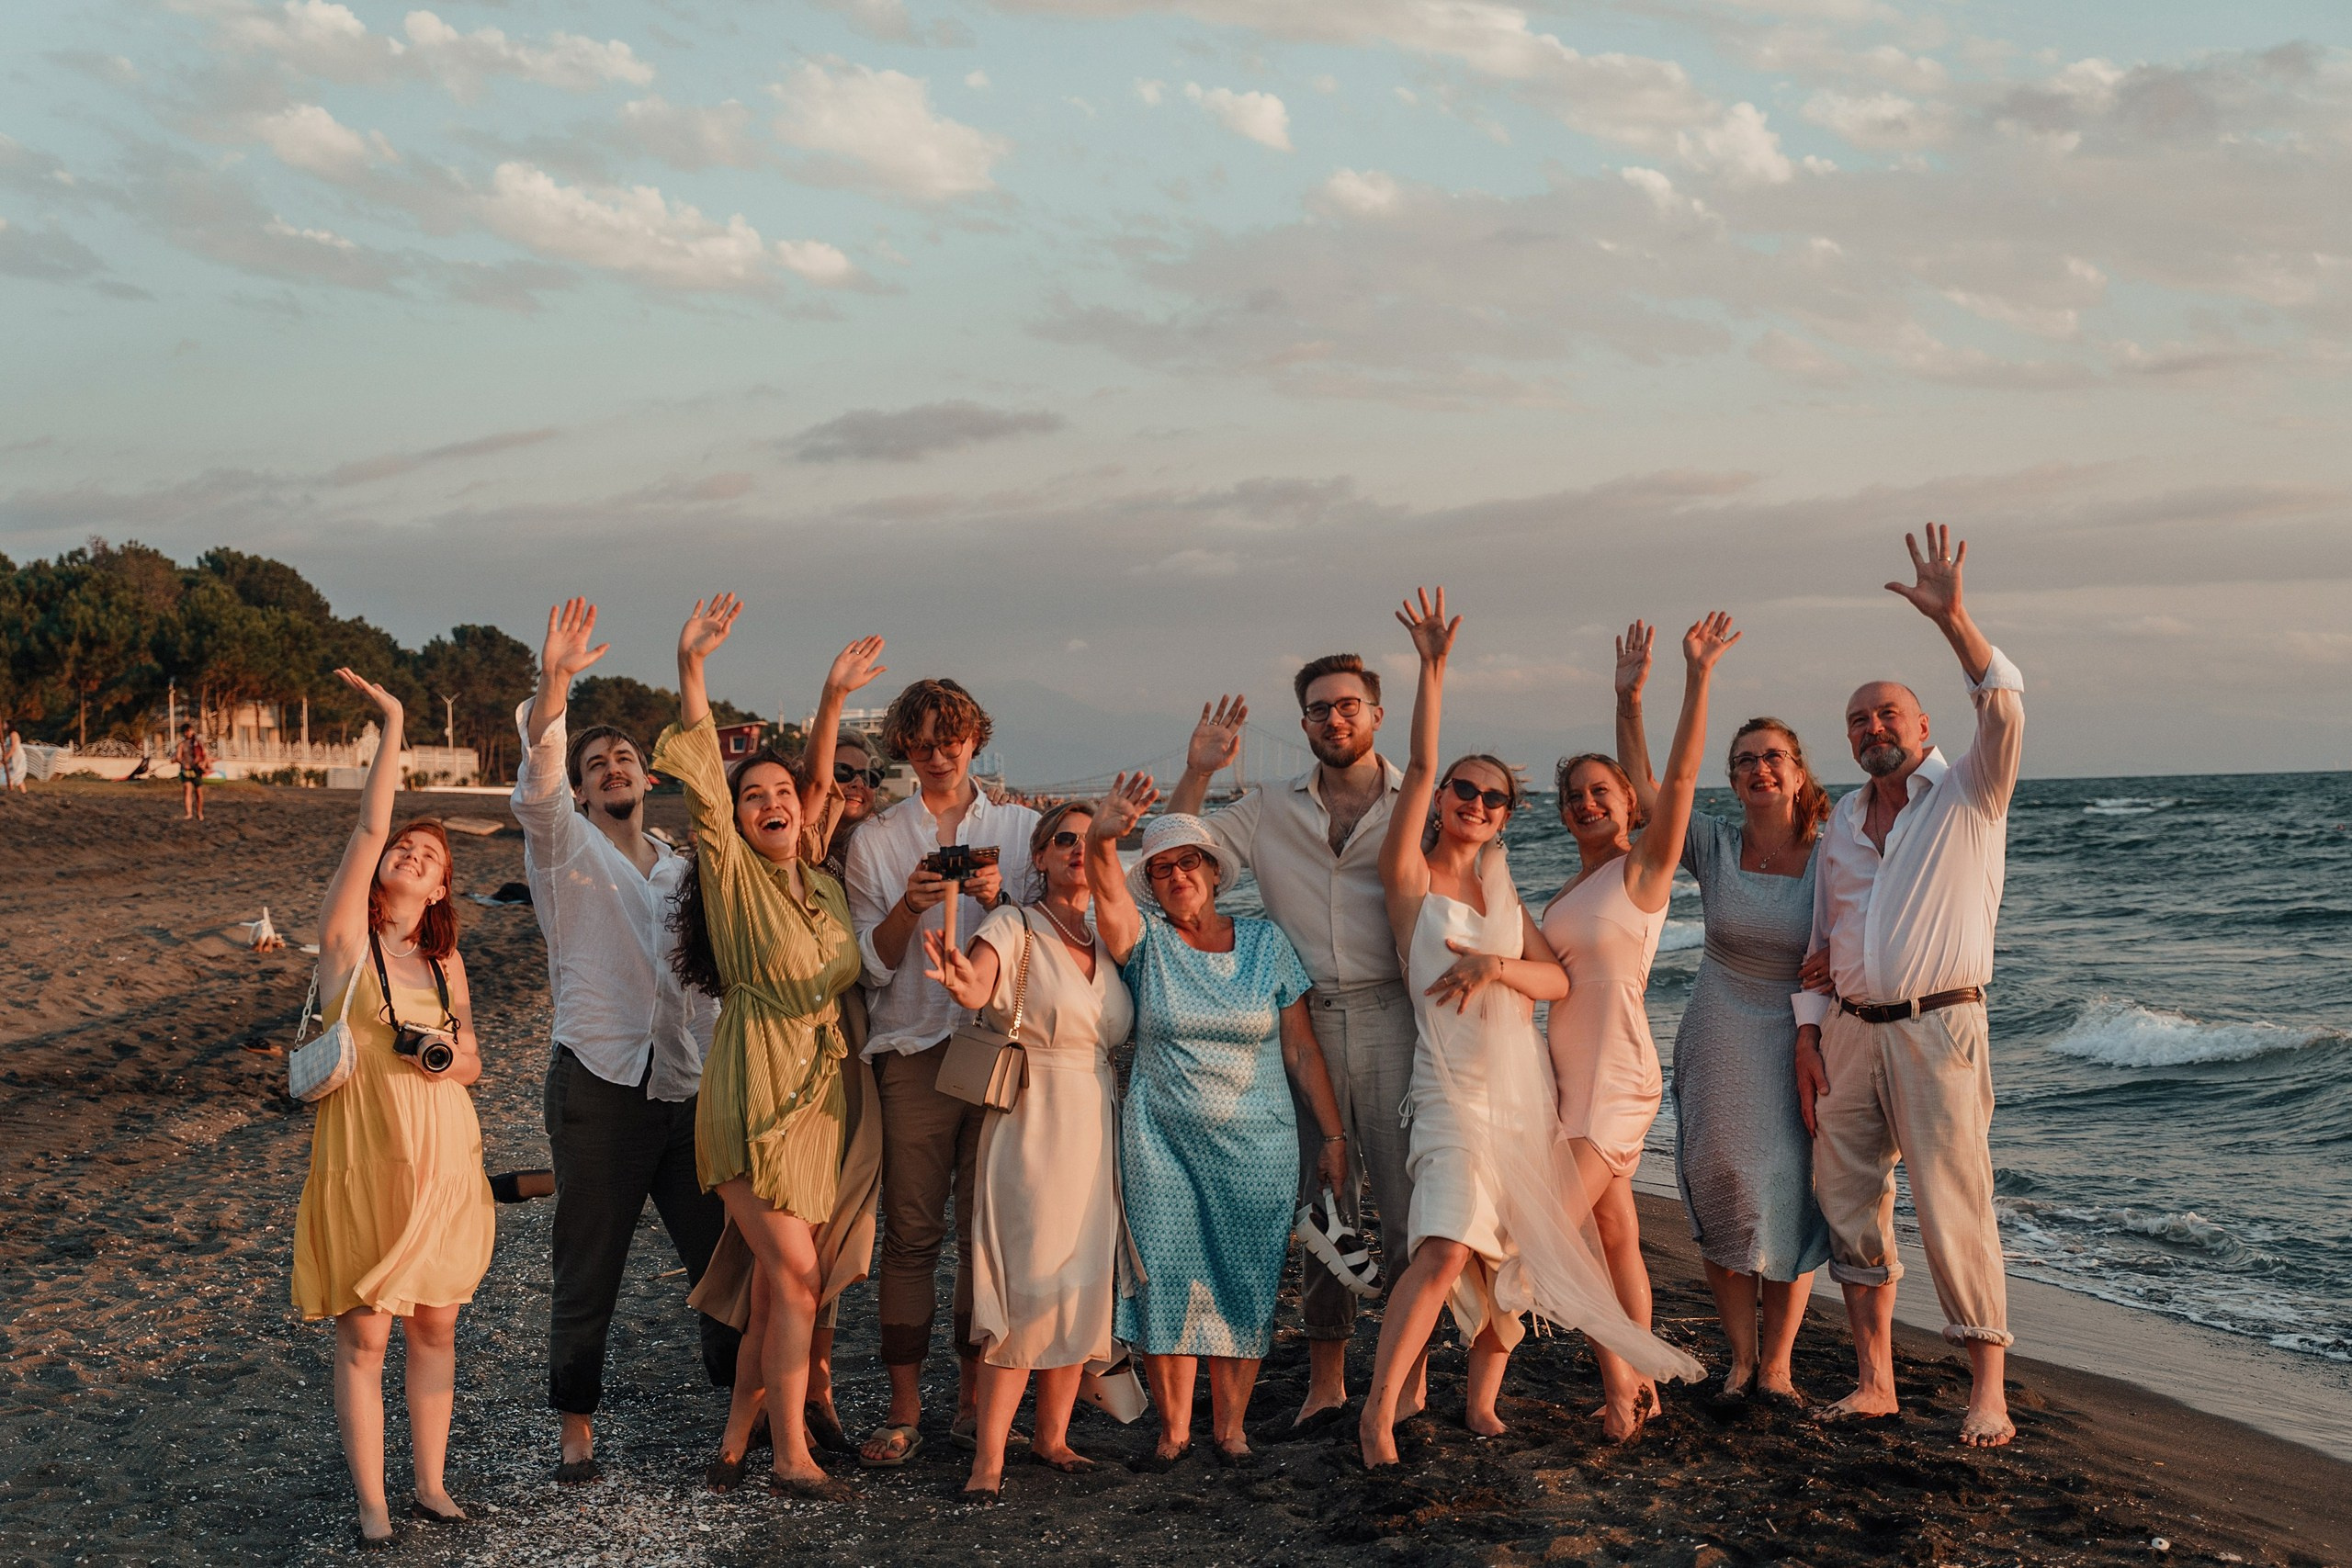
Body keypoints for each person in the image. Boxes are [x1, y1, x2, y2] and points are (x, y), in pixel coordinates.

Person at [1360, 589, 1702, 1468]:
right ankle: (1380, 1413)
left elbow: (1557, 976)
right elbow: (1422, 755)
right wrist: (1433, 669)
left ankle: (1511, 1395)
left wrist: (1494, 964)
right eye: (1463, 791)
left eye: (1495, 795)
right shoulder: (1412, 877)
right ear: (1440, 802)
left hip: (1526, 1097)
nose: (1475, 800)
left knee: (1537, 1242)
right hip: (1449, 1091)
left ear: (1510, 816)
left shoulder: (1512, 895)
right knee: (1442, 1252)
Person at [1792, 525, 2024, 1448]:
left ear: (1924, 729)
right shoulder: (1840, 825)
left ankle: (1988, 1392)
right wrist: (1809, 1032)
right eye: (1857, 720)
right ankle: (1875, 1382)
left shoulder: (1971, 795)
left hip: (1939, 1031)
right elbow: (1820, 940)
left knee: (1953, 1204)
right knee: (1848, 1201)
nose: (1871, 729)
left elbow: (2003, 705)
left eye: (1887, 715)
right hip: (1850, 1036)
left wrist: (1954, 619)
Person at [650, 594, 886, 1501]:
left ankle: (737, 1442)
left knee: (780, 1284)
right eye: (757, 798)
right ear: (740, 819)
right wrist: (692, 669)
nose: (771, 803)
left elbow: (820, 783)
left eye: (781, 794)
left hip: (818, 1099)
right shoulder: (732, 874)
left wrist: (830, 697)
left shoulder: (821, 888)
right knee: (791, 1276)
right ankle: (792, 1455)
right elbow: (706, 781)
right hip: (752, 1090)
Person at [512, 598, 732, 1483]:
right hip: (598, 1087)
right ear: (583, 784)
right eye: (596, 761)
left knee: (721, 1259)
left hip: (687, 1088)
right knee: (588, 1262)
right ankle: (576, 1431)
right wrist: (556, 682)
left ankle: (740, 1405)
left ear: (648, 778)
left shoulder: (686, 868)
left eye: (626, 758)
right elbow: (538, 779)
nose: (613, 767)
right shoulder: (562, 849)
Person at [1168, 657, 1414, 1435]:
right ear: (1304, 724)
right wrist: (1197, 773)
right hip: (1300, 1020)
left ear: (1376, 713)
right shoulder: (1268, 804)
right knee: (1324, 1205)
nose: (1333, 719)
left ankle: (1406, 1381)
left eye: (1347, 706)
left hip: (1397, 1013)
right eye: (1317, 710)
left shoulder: (1422, 803)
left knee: (1411, 1211)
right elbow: (1173, 855)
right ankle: (1327, 1381)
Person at [1085, 782, 1351, 1470]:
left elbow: (1300, 1047)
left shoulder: (1266, 942)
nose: (1176, 876)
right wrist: (1100, 840)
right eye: (1162, 868)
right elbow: (1109, 897)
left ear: (1211, 870)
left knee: (1244, 1276)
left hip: (1259, 1144)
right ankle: (1174, 1430)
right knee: (1167, 1276)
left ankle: (1230, 1428)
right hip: (1160, 1140)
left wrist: (1332, 1135)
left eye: (1187, 863)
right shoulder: (1144, 943)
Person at [290, 668, 494, 1550]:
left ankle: (432, 1484)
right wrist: (397, 721)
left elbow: (476, 1061)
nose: (412, 856)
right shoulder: (347, 944)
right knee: (366, 1337)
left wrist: (444, 1058)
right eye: (405, 851)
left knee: (437, 1325)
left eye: (431, 858)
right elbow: (370, 820)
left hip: (446, 1159)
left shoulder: (446, 966)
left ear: (444, 888)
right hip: (366, 1154)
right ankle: (374, 1505)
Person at [1614, 623, 1835, 1404]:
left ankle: (1778, 1364)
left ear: (1800, 771)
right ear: (1733, 780)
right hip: (1719, 1022)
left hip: (1803, 1029)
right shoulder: (1709, 842)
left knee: (1789, 1185)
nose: (1759, 768)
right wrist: (1635, 696)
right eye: (1745, 760)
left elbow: (1879, 921)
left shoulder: (1835, 846)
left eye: (1773, 755)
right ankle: (1741, 1361)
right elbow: (1648, 795)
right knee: (1718, 1180)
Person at [1540, 611, 1737, 1439]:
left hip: (1617, 1080)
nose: (1588, 802)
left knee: (1554, 1234)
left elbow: (1682, 777)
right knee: (1614, 1234)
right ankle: (1642, 1378)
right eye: (1575, 796)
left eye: (1603, 790)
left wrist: (1677, 686)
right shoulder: (1561, 894)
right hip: (1567, 1082)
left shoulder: (1643, 873)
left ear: (1629, 803)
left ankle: (1621, 1383)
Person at [842, 680, 1039, 1466]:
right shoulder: (879, 840)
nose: (937, 753)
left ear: (974, 738)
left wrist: (1004, 896)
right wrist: (907, 906)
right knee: (913, 1234)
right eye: (920, 743)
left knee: (986, 1237)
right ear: (904, 750)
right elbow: (867, 965)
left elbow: (1055, 925)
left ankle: (969, 1399)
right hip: (914, 1048)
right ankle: (903, 1404)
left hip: (996, 1045)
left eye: (950, 738)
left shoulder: (1021, 829)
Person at [922, 801, 1132, 1503]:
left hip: (1097, 1120)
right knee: (1030, 1281)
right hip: (1034, 1117)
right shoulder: (1013, 923)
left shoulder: (1111, 936)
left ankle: (1053, 1435)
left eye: (1087, 839)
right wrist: (961, 980)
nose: (1078, 850)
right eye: (1063, 840)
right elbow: (980, 983)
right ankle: (988, 1457)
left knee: (1081, 1277)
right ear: (1037, 857)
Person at [818, 728, 883, 881]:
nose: (859, 784)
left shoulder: (885, 851)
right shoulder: (792, 850)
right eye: (842, 771)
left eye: (869, 777)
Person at [175, 723, 209, 821]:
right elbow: (178, 757)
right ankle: (189, 813)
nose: (188, 733)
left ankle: (199, 813)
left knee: (199, 793)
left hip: (197, 770)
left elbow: (205, 755)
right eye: (186, 731)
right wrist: (183, 763)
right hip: (186, 770)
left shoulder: (199, 743)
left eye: (189, 730)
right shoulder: (181, 745)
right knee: (187, 790)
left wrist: (203, 764)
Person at [1, 721, 25, 794]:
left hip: (17, 758)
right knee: (16, 777)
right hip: (12, 757)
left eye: (5, 724)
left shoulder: (13, 734)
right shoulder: (9, 735)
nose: (3, 725)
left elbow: (14, 747)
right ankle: (21, 792)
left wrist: (7, 757)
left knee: (15, 775)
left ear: (8, 725)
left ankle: (19, 792)